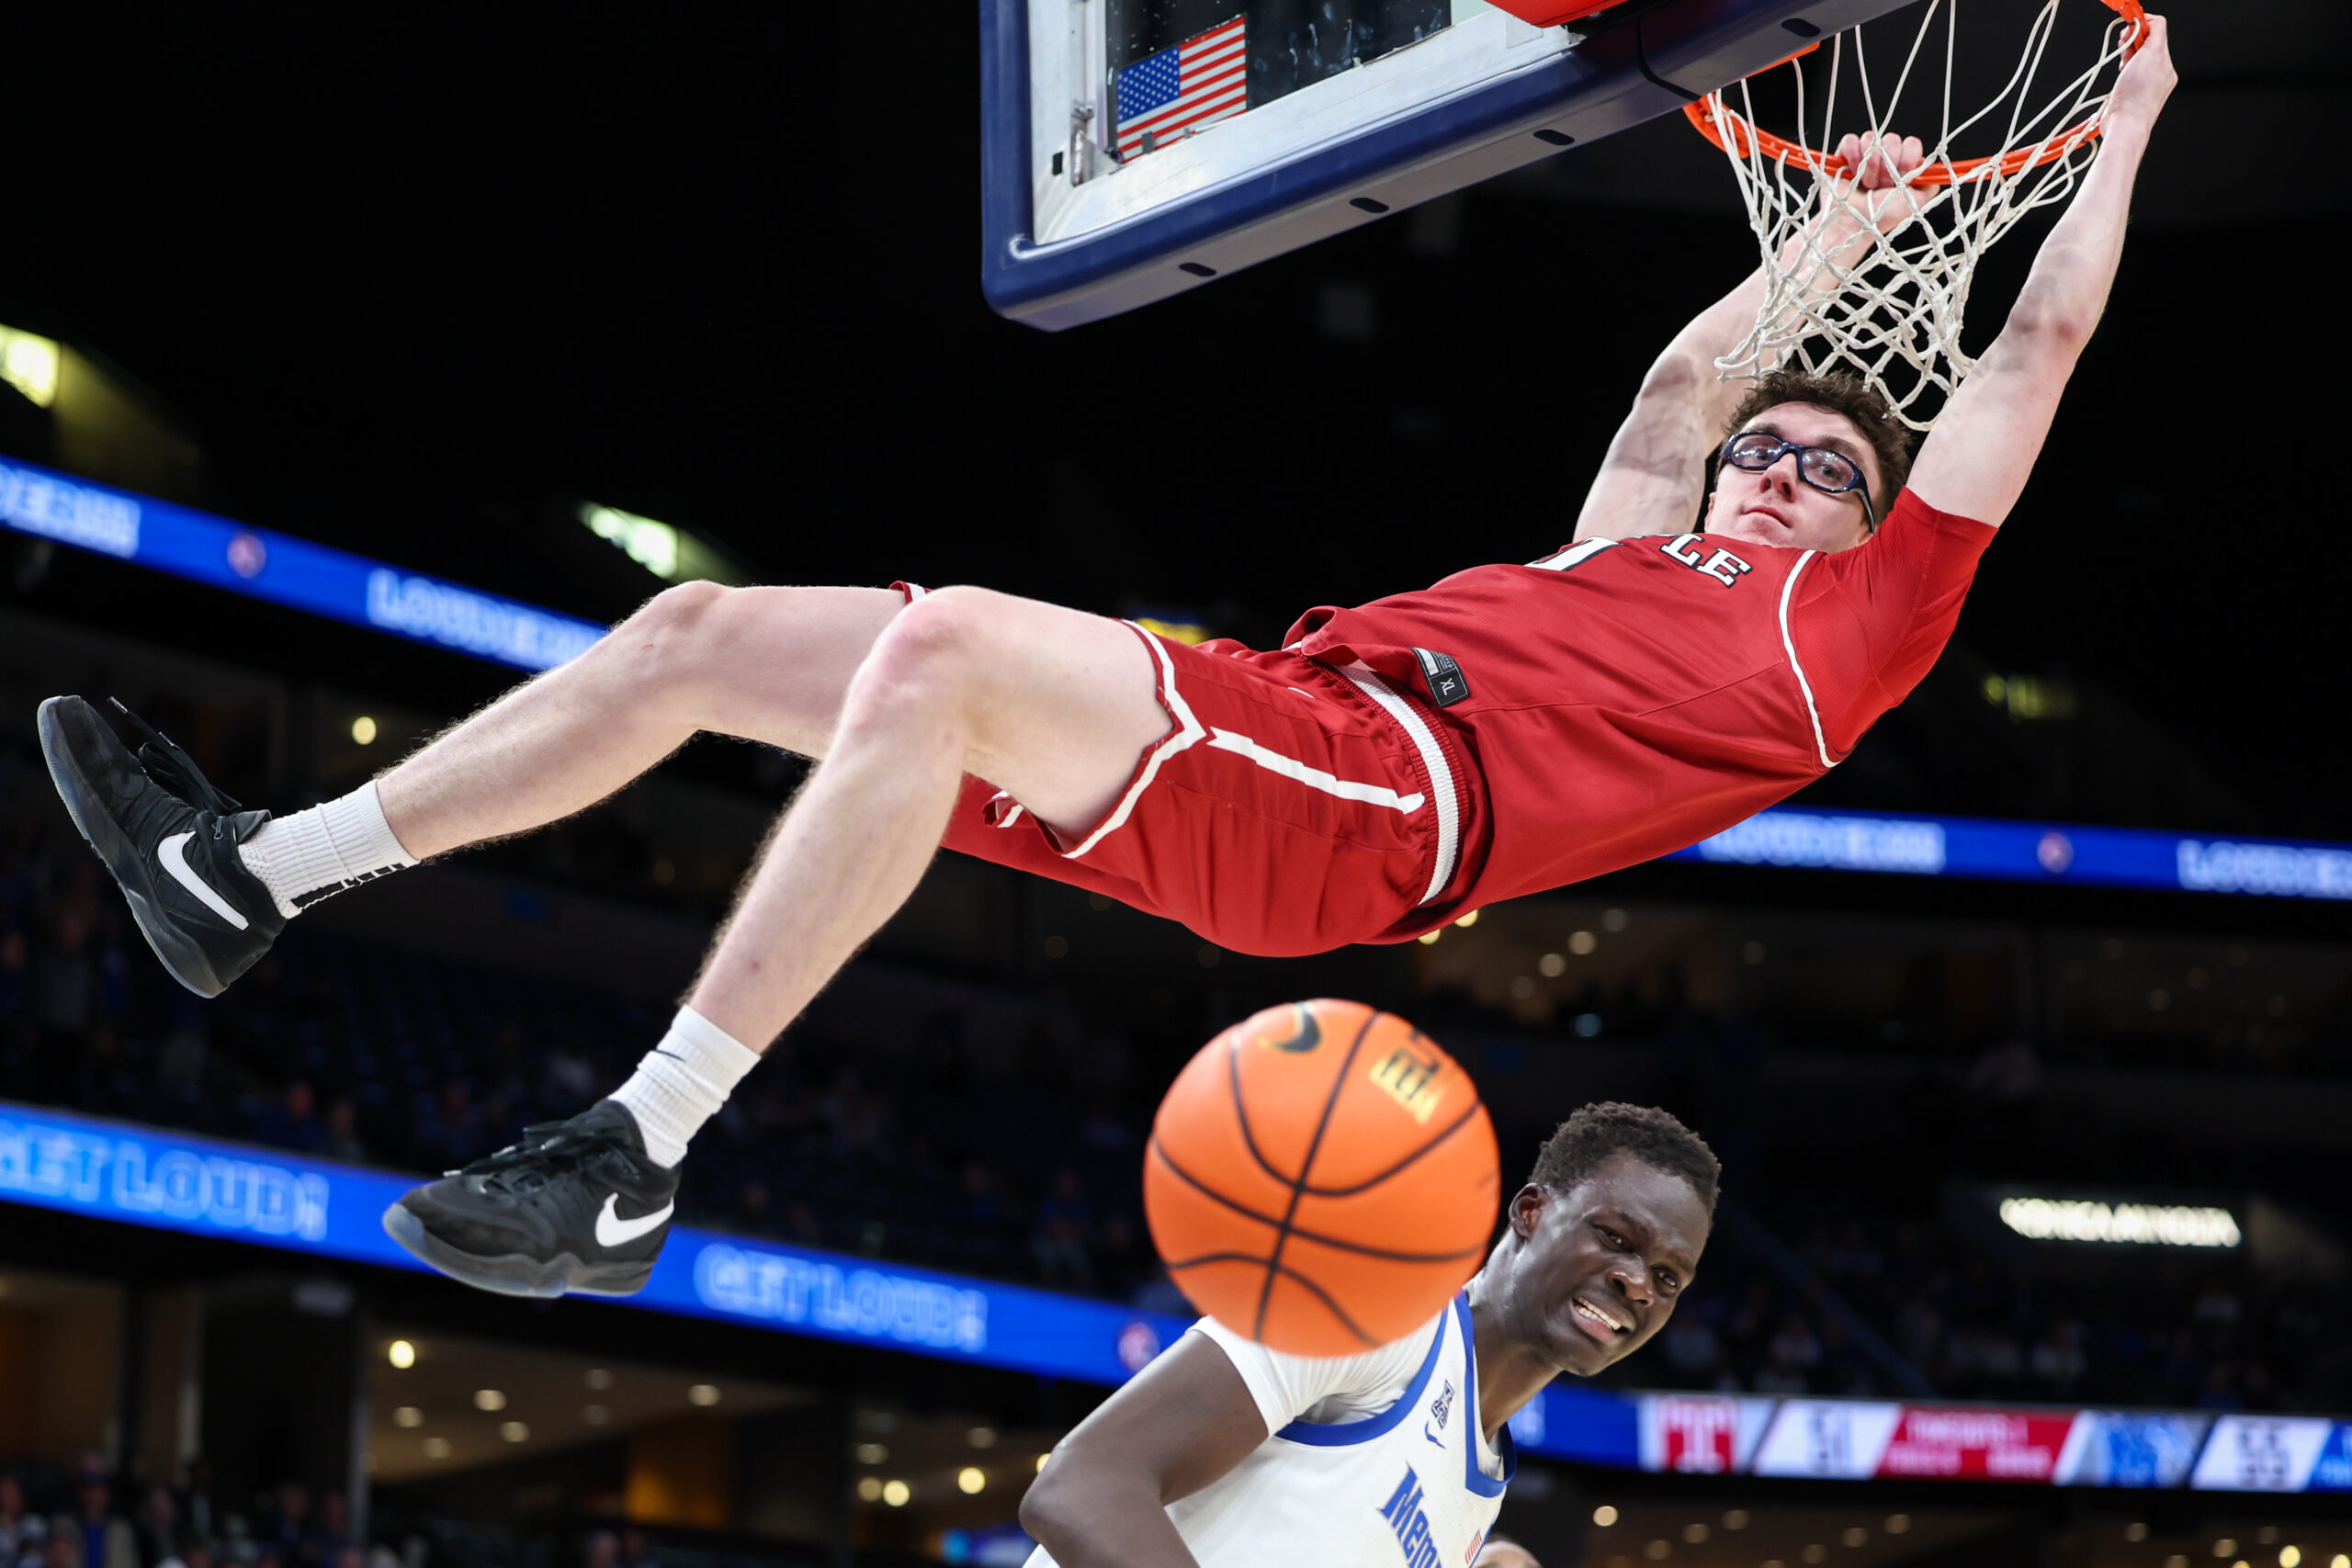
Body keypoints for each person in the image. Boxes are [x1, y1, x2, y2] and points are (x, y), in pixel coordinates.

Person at [34, 23, 2173, 1298]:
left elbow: (2041, 346)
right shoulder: (1641, 527)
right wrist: (1834, 237)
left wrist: (2133, 108)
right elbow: (1683, 380)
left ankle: (635, 1142)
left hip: (1391, 798)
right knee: (692, 637)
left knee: (951, 637)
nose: (1784, 463)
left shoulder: (1848, 634)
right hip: (1296, 734)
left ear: (1867, 516)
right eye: (1774, 447)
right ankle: (252, 876)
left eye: (1824, 461)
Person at [1018, 1103, 1717, 1568]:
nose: (1637, 1283)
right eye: (1617, 1236)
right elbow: (1083, 1484)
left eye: (1668, 1277)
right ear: (1532, 1211)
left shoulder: (1483, 1485)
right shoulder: (1377, 1307)